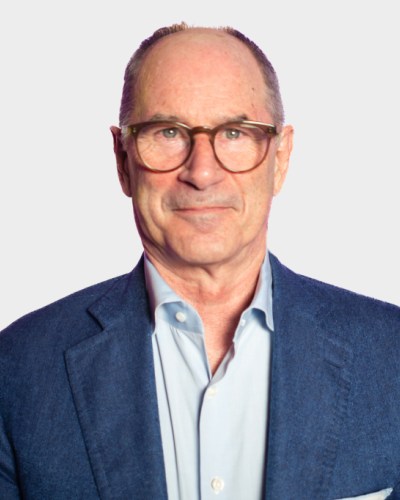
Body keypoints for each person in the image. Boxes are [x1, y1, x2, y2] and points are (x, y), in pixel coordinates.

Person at [0, 22, 399, 500]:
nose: (202, 171)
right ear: (122, 158)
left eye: (235, 132)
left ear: (282, 157)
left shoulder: (389, 355)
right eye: (167, 132)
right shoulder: (17, 371)